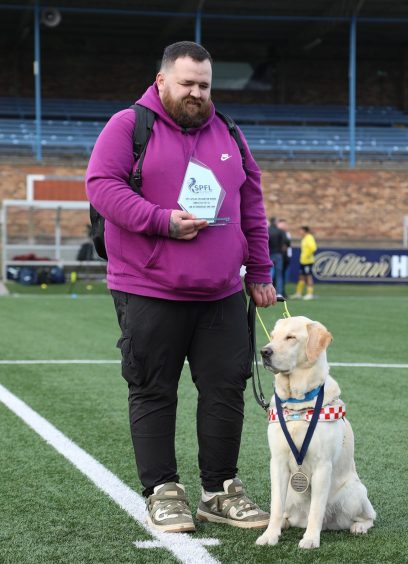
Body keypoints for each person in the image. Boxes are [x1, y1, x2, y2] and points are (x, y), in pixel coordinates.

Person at [86, 41, 276, 534]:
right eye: (187, 83)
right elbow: (102, 186)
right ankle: (163, 491)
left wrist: (260, 271)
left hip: (220, 293)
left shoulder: (230, 132)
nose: (196, 93)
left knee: (225, 389)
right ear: (162, 80)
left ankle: (220, 490)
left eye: (204, 85)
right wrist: (161, 221)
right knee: (152, 389)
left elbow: (251, 206)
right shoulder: (129, 125)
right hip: (148, 288)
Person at [291, 226, 317, 300]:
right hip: (303, 261)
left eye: (301, 231)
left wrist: (308, 256)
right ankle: (298, 293)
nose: (300, 232)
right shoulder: (304, 238)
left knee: (308, 276)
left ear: (305, 231)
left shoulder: (309, 238)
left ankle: (310, 293)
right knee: (301, 276)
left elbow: (313, 248)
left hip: (308, 261)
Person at [267, 217, 288, 300]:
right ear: (275, 222)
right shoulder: (280, 231)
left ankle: (269, 292)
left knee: (269, 274)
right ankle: (279, 293)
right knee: (279, 275)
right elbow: (286, 242)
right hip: (278, 254)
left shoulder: (267, 230)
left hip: (269, 254)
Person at [276, 218, 292, 298]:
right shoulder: (279, 234)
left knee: (282, 275)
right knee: (278, 275)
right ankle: (279, 291)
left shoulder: (287, 234)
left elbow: (288, 246)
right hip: (280, 256)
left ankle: (282, 291)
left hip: (286, 256)